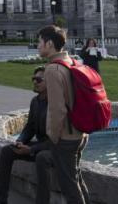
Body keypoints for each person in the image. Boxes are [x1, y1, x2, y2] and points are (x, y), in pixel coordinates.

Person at [37, 26, 90, 204]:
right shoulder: (70, 60)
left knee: (69, 186)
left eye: (39, 42)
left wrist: (52, 136)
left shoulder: (52, 69)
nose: (38, 46)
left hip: (66, 137)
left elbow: (57, 110)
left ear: (49, 43)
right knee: (76, 179)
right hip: (80, 132)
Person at [0, 66, 51, 204]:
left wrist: (31, 150)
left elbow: (57, 139)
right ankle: (1, 200)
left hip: (51, 148)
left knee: (41, 158)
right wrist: (19, 140)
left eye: (38, 79)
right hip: (38, 145)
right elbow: (30, 127)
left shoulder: (55, 104)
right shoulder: (35, 101)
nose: (35, 82)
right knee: (7, 151)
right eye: (33, 79)